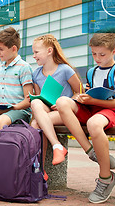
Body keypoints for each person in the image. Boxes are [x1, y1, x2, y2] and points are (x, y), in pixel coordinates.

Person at [56, 32, 115, 204]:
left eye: (102, 54)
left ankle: (106, 179)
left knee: (94, 124)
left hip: (112, 111)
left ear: (114, 51)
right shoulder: (92, 71)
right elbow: (87, 95)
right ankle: (91, 152)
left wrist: (93, 100)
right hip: (93, 109)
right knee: (62, 102)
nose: (97, 58)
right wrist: (80, 98)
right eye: (94, 54)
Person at [30, 34, 82, 175]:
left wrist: (62, 104)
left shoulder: (65, 70)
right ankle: (54, 149)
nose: (33, 56)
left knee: (36, 124)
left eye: (36, 52)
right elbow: (40, 98)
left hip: (64, 113)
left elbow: (79, 92)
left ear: (49, 51)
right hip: (47, 111)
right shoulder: (36, 74)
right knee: (35, 103)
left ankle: (41, 167)